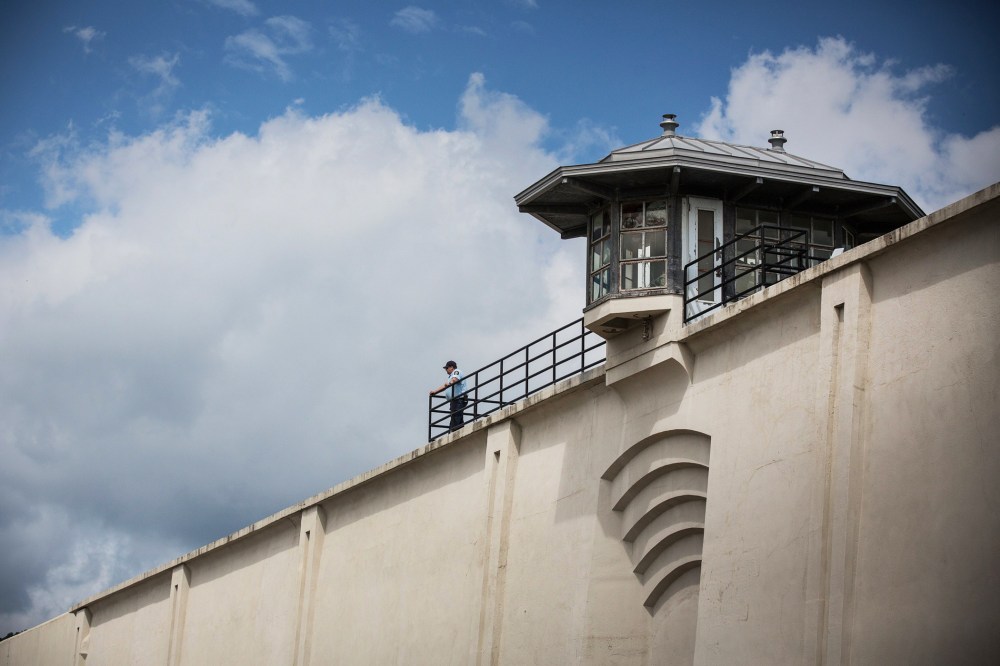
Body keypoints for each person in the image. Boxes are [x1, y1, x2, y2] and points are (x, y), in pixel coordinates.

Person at [430, 360, 467, 430]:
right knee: (456, 418)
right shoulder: (451, 376)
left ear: (451, 367)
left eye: (447, 368)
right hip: (455, 400)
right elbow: (445, 386)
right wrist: (435, 392)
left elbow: (455, 380)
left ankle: (454, 431)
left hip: (459, 399)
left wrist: (450, 383)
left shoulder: (456, 372)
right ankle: (458, 430)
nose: (446, 370)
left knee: (456, 418)